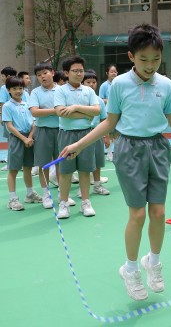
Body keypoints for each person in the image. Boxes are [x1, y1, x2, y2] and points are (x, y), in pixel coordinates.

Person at [60, 24, 171, 301]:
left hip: (158, 147)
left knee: (158, 213)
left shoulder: (166, 85)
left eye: (155, 59)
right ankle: (130, 268)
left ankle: (153, 262)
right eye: (144, 59)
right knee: (138, 214)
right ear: (131, 56)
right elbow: (109, 122)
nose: (150, 65)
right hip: (128, 148)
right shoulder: (119, 85)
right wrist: (78, 145)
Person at [54, 56, 101, 219]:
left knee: (85, 169)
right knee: (66, 171)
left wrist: (74, 108)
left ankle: (85, 202)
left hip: (86, 134)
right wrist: (85, 114)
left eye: (81, 71)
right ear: (66, 73)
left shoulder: (89, 90)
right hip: (67, 134)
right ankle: (64, 204)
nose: (79, 74)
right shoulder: (60, 90)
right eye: (75, 71)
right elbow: (60, 112)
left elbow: (96, 111)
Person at [2, 76, 42, 210]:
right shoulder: (7, 106)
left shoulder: (27, 104)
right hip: (17, 139)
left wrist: (30, 137)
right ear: (8, 90)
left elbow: (34, 122)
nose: (18, 91)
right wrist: (24, 139)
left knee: (28, 167)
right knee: (13, 169)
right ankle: (12, 199)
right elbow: (10, 126)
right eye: (14, 88)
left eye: (21, 88)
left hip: (29, 139)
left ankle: (30, 194)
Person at [29, 62, 62, 208]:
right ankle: (46, 194)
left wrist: (45, 110)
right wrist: (55, 111)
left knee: (61, 162)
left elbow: (66, 109)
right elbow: (35, 112)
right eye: (39, 75)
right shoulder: (35, 92)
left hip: (62, 129)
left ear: (52, 73)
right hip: (42, 131)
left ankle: (63, 193)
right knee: (44, 164)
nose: (42, 76)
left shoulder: (62, 90)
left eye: (45, 73)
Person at [78, 70, 110, 196]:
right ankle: (82, 188)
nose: (91, 84)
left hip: (96, 133)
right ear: (82, 82)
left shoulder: (99, 101)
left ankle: (97, 185)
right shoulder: (79, 100)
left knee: (97, 160)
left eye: (94, 82)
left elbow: (104, 120)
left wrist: (106, 136)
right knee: (83, 162)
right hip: (82, 133)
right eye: (88, 82)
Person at [99, 64, 118, 161]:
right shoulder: (104, 86)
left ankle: (117, 153)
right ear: (107, 73)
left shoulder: (119, 84)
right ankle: (109, 153)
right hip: (108, 113)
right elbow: (101, 99)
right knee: (109, 134)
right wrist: (111, 100)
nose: (114, 73)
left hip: (119, 112)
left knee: (117, 133)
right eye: (112, 71)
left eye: (115, 71)